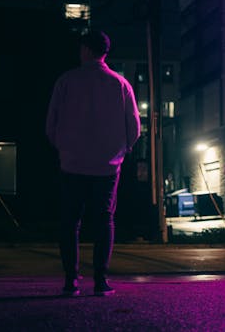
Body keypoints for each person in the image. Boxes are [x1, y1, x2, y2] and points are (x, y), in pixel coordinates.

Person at [46, 30, 141, 297]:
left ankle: (71, 280)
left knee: (70, 222)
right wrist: (123, 150)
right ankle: (100, 281)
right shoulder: (121, 84)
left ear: (86, 49)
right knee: (104, 221)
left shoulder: (66, 81)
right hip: (107, 166)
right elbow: (133, 126)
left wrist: (64, 148)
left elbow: (51, 124)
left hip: (72, 164)